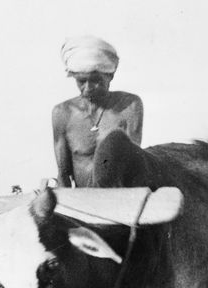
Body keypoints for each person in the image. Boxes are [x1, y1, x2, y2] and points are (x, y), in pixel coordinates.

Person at [51, 36, 143, 187]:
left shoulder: (130, 106)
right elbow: (63, 173)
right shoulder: (62, 113)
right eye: (81, 81)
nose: (88, 88)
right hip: (81, 201)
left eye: (96, 80)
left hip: (121, 197)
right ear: (73, 77)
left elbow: (134, 164)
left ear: (110, 76)